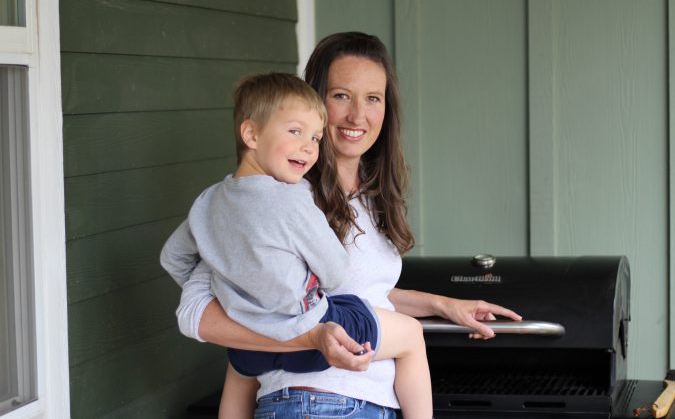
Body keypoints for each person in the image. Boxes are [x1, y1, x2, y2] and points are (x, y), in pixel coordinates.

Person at [170, 32, 522, 418]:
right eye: (341, 96)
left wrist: (443, 304)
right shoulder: (272, 201)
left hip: (368, 403)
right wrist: (313, 336)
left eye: (373, 98)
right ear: (313, 102)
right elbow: (201, 313)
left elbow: (358, 293)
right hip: (319, 401)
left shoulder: (370, 199)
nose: (358, 115)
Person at [160, 72, 432, 418]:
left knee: (240, 377)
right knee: (410, 333)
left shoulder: (208, 201)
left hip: (250, 352)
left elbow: (173, 257)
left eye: (315, 138)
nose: (308, 146)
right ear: (251, 134)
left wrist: (231, 287)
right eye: (295, 132)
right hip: (315, 328)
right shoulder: (292, 199)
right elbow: (335, 271)